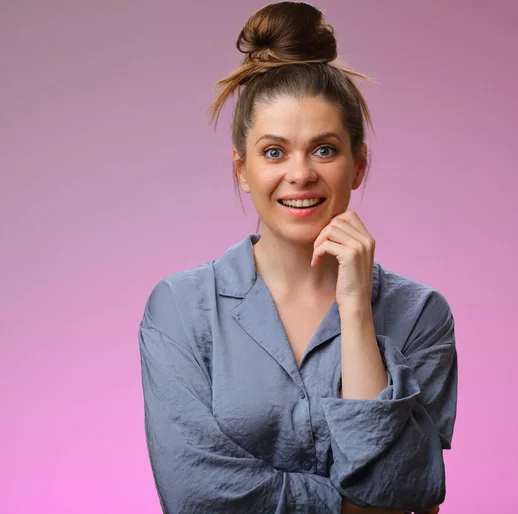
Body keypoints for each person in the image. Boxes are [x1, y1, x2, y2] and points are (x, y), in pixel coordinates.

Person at [137, 2, 458, 513]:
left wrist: (355, 314)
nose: (301, 174)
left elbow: (406, 494)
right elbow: (197, 497)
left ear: (358, 166)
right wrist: (353, 508)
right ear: (242, 170)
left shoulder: (421, 315)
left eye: (325, 149)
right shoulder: (179, 310)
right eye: (274, 152)